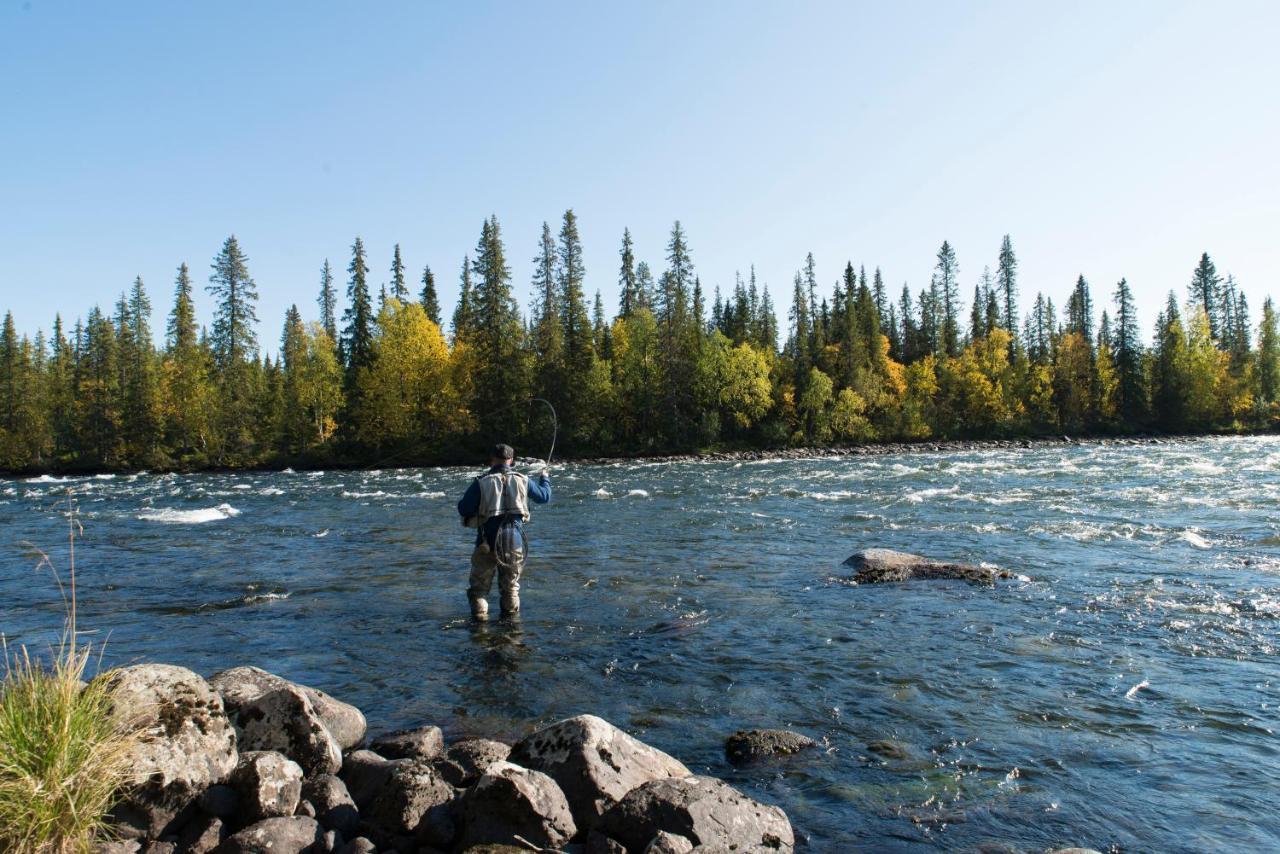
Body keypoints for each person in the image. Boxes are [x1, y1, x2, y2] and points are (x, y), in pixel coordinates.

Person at [456, 443, 551, 620]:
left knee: (479, 589)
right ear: (511, 460)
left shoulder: (481, 482)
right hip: (514, 541)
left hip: (486, 543)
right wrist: (544, 478)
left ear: (492, 459)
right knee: (511, 588)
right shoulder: (523, 479)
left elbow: (463, 509)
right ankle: (512, 630)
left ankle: (480, 627)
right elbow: (544, 497)